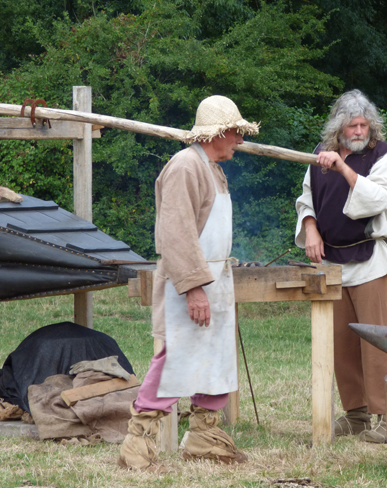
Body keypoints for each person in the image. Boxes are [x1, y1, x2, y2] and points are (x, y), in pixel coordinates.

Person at [119, 95, 259, 471]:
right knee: (175, 360)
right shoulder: (185, 167)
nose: (240, 141)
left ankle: (203, 436)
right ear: (218, 132)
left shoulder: (213, 167)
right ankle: (138, 443)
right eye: (235, 132)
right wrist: (194, 287)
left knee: (213, 358)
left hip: (215, 278)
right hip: (190, 279)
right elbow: (176, 233)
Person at [295, 89, 387, 444]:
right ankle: (357, 415)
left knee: (378, 342)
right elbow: (306, 198)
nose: (359, 131)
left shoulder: (385, 155)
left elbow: (377, 198)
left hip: (368, 261)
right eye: (352, 125)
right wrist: (311, 227)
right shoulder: (319, 155)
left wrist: (343, 167)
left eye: (364, 125)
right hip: (331, 262)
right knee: (341, 343)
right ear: (339, 127)